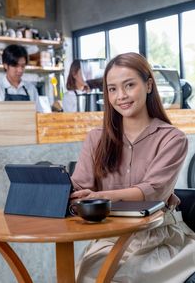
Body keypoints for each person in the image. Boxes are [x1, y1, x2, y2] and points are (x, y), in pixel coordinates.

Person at [71, 52, 195, 283]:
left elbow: (152, 190)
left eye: (129, 85)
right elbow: (80, 186)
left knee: (125, 275)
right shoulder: (96, 139)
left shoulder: (172, 139)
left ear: (148, 85)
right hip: (108, 237)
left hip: (158, 238)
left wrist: (100, 196)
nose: (121, 96)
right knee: (87, 274)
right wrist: (58, 186)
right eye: (112, 89)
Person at [0, 44, 41, 111]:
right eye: (15, 66)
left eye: (23, 66)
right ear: (5, 65)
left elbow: (39, 116)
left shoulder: (31, 89)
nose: (20, 70)